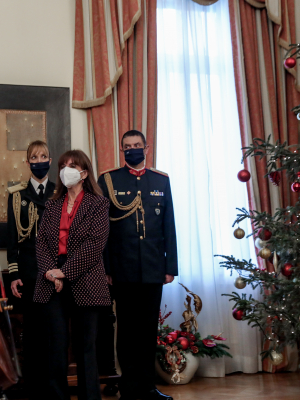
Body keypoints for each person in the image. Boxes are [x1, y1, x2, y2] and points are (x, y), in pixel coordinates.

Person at [97, 130, 178, 400]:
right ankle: (130, 388)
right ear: (122, 150)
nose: (132, 150)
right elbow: (102, 231)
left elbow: (169, 226)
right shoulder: (109, 180)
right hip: (123, 269)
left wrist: (171, 267)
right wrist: (107, 268)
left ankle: (148, 387)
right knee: (128, 331)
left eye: (137, 145)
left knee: (147, 331)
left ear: (146, 148)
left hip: (154, 268)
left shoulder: (161, 180)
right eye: (127, 146)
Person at [33, 149, 111, 400]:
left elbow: (94, 245)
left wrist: (64, 272)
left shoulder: (98, 204)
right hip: (52, 278)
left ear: (84, 172)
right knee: (56, 345)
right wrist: (51, 273)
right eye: (63, 165)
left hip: (85, 277)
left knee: (85, 346)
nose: (67, 169)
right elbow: (42, 241)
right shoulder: (53, 204)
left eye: (73, 165)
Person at [7, 140, 55, 397]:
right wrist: (14, 274)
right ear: (27, 162)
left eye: (44, 156)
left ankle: (51, 387)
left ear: (50, 159)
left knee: (53, 332)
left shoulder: (60, 192)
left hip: (54, 275)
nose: (39, 161)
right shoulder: (17, 195)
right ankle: (32, 388)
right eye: (34, 157)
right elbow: (13, 240)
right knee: (32, 333)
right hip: (27, 274)